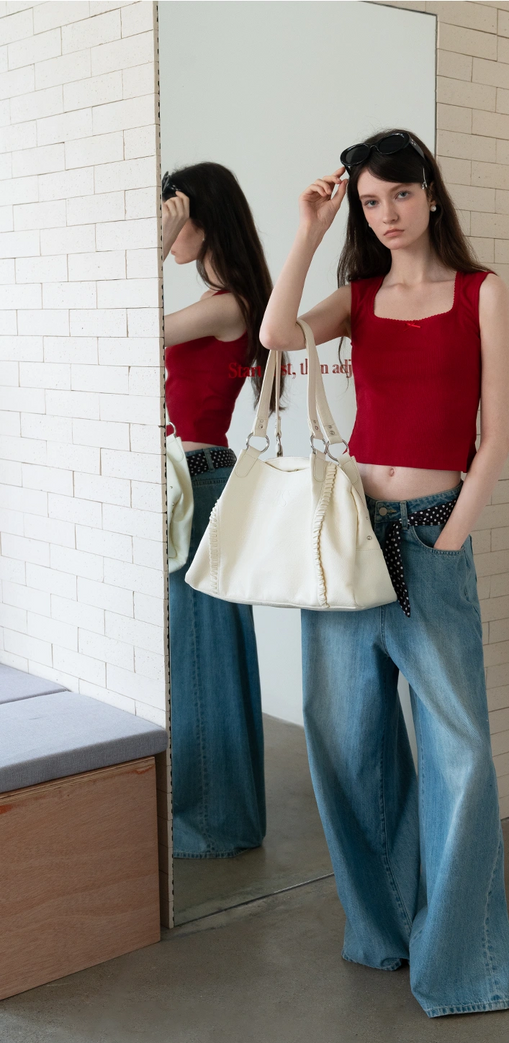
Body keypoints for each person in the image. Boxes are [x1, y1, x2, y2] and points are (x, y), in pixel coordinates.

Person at [259, 130, 509, 1018]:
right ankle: (382, 930)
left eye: (399, 194)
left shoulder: (480, 293)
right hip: (349, 534)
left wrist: (453, 538)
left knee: (463, 756)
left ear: (430, 193)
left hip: (433, 534)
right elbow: (275, 333)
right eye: (371, 201)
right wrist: (309, 229)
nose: (388, 213)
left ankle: (457, 964)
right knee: (346, 743)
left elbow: (495, 437)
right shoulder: (358, 295)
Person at [163, 162, 281, 858]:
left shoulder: (229, 301)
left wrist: (153, 238)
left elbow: (133, 326)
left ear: (204, 217)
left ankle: (213, 820)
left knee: (202, 648)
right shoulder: (221, 296)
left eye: (176, 214)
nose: (170, 229)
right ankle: (218, 811)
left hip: (202, 479)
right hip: (199, 480)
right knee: (201, 644)